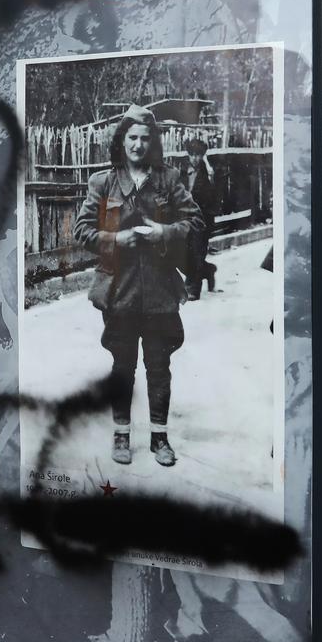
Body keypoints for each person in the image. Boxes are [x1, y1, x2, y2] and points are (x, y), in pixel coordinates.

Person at [75, 105, 200, 468]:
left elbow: (194, 222)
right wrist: (117, 239)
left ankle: (159, 438)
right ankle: (121, 434)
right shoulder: (103, 182)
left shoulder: (168, 179)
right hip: (120, 292)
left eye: (146, 138)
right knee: (122, 366)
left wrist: (165, 231)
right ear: (122, 140)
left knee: (159, 367)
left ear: (153, 142)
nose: (138, 144)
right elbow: (82, 231)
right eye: (132, 137)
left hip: (161, 293)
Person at [181, 137, 221, 300]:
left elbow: (214, 197)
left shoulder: (209, 173)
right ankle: (208, 270)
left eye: (199, 155)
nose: (195, 158)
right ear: (188, 155)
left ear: (203, 155)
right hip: (184, 220)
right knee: (183, 254)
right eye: (192, 155)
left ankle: (193, 289)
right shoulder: (182, 172)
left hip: (203, 220)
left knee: (197, 253)